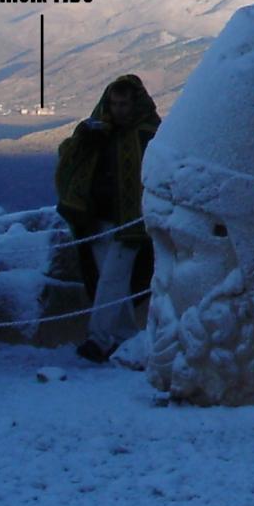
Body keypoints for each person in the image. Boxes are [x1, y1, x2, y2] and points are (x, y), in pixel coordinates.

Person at [54, 73, 160, 362]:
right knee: (111, 282)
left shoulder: (150, 134)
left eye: (125, 104)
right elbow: (70, 158)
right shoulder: (99, 131)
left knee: (113, 278)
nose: (119, 110)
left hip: (132, 224)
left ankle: (98, 340)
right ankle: (126, 339)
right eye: (114, 104)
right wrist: (84, 140)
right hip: (97, 219)